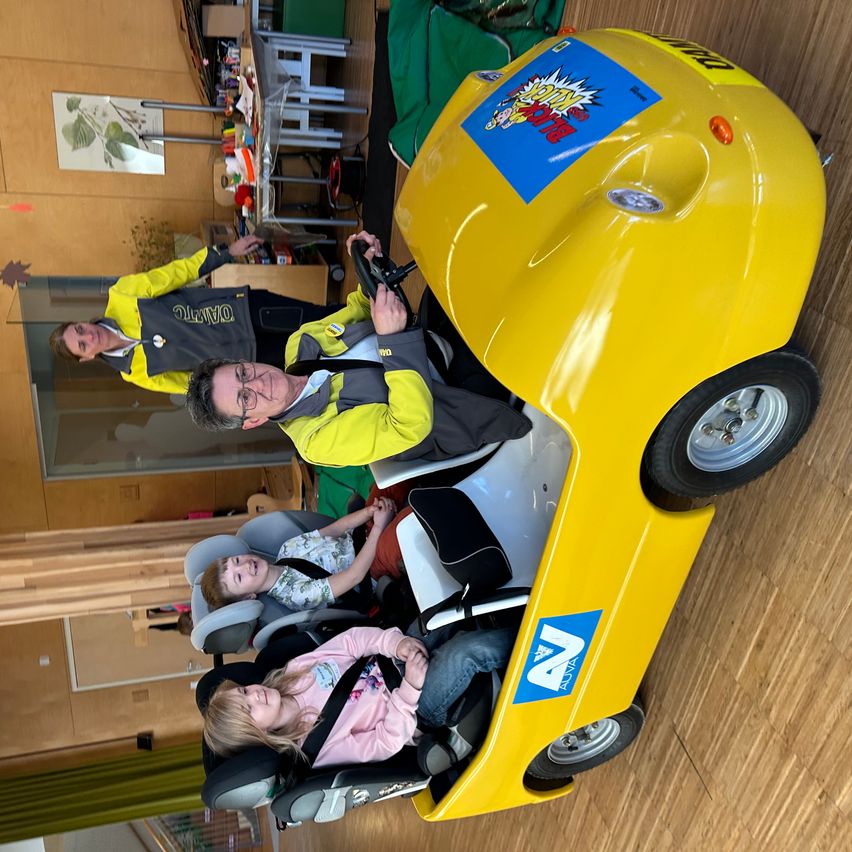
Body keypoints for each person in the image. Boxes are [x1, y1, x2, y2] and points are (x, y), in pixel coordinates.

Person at [184, 231, 531, 467]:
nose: (257, 383)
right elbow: (410, 425)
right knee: (510, 308)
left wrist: (368, 265)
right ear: (253, 422)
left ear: (245, 361)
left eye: (243, 373)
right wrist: (394, 342)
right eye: (246, 398)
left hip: (433, 340)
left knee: (459, 264)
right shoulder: (316, 440)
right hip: (457, 399)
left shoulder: (299, 344)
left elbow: (360, 309)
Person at [48, 235, 341, 396]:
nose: (88, 335)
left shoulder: (123, 296)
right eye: (82, 344)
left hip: (243, 311)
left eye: (79, 328)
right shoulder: (135, 373)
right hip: (249, 359)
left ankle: (379, 318)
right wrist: (237, 398)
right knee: (314, 355)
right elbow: (193, 386)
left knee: (321, 318)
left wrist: (226, 252)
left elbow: (178, 273)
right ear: (86, 358)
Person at [202, 623, 516, 766]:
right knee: (469, 652)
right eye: (249, 710)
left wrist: (395, 644)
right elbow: (384, 742)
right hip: (416, 705)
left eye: (244, 691)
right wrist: (410, 688)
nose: (255, 695)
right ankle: (551, 636)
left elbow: (351, 643)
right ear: (259, 735)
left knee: (445, 612)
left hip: (395, 658)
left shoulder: (293, 672)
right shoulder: (316, 745)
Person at [200, 495, 398, 611]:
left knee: (387, 486)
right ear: (248, 597)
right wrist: (380, 527)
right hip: (371, 568)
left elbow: (336, 529)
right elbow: (354, 576)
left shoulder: (287, 549)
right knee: (405, 524)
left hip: (362, 536)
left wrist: (370, 512)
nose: (245, 565)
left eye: (236, 560)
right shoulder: (295, 595)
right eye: (239, 577)